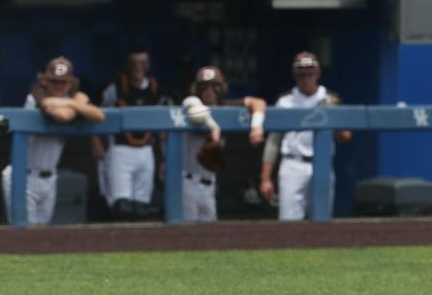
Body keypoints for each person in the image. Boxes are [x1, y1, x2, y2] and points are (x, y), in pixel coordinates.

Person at [2, 56, 104, 225]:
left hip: (50, 178)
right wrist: (77, 103)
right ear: (44, 81)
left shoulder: (67, 100)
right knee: (24, 236)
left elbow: (100, 116)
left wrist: (72, 103)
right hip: (23, 176)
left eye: (63, 82)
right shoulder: (36, 96)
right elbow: (62, 116)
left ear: (72, 83)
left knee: (42, 236)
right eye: (54, 81)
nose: (58, 86)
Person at [260, 52, 352, 221]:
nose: (306, 79)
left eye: (310, 74)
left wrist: (333, 117)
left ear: (317, 74)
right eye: (301, 75)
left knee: (322, 220)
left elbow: (346, 137)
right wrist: (265, 178)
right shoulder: (285, 101)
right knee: (289, 221)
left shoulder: (329, 98)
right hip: (293, 163)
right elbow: (273, 142)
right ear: (295, 76)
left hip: (321, 163)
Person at [93, 47, 171, 221]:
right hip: (120, 150)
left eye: (142, 63)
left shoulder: (156, 89)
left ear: (148, 65)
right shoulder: (115, 88)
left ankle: (138, 246)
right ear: (127, 65)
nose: (138, 68)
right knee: (121, 206)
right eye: (134, 63)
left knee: (142, 207)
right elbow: (95, 114)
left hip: (146, 151)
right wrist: (96, 141)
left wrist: (164, 157)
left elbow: (164, 127)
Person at [180, 66, 267, 222]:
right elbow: (191, 103)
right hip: (188, 183)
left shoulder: (226, 106)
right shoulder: (191, 106)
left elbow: (258, 102)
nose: (208, 90)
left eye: (214, 86)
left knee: (210, 234)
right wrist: (214, 127)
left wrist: (256, 124)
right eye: (203, 86)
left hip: (210, 184)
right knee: (186, 233)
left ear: (222, 88)